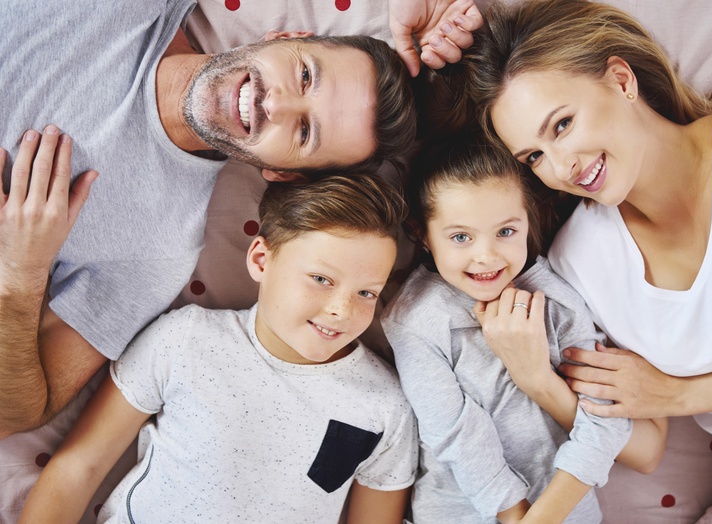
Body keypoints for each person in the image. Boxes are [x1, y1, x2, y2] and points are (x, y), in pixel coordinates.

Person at [462, 0, 712, 520]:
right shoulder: (579, 259)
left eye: (562, 125)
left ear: (620, 80)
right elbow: (645, 446)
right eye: (534, 157)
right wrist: (538, 380)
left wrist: (678, 396)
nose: (562, 167)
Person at [0, 0, 419, 438]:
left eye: (303, 132)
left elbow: (17, 415)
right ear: (283, 38)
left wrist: (19, 274)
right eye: (305, 75)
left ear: (282, 173)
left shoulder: (159, 249)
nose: (274, 103)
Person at [19, 172, 417, 523]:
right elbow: (79, 467)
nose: (341, 311)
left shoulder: (385, 407)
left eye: (367, 292)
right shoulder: (186, 339)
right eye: (321, 279)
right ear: (262, 259)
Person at [381, 134, 666, 523]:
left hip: (565, 511)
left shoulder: (557, 299)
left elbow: (606, 421)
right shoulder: (415, 320)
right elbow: (458, 436)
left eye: (506, 232)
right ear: (422, 234)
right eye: (461, 237)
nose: (486, 256)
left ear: (527, 222)